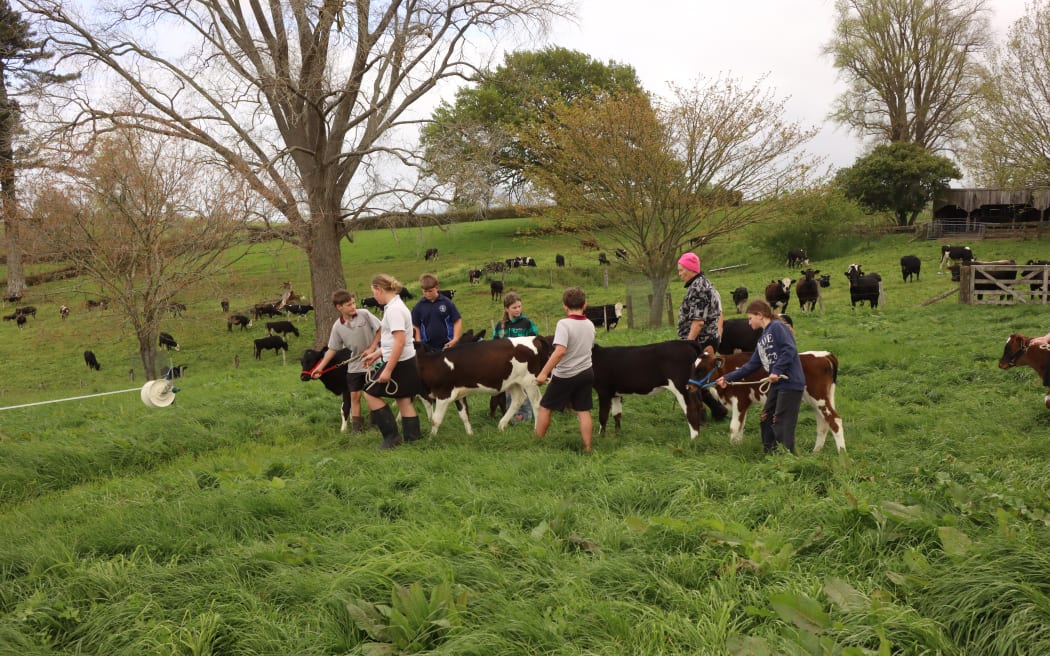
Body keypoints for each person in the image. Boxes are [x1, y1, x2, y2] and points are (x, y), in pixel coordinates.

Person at [716, 299, 805, 455]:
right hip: (777, 385)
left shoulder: (777, 327)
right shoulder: (762, 338)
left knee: (781, 422)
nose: (749, 322)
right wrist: (727, 378)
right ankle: (770, 456)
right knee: (766, 419)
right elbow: (751, 365)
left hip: (789, 382)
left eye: (750, 318)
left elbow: (789, 349)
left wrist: (776, 371)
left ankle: (789, 460)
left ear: (760, 315)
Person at [361, 274, 425, 449]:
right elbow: (394, 339)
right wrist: (377, 353)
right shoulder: (395, 306)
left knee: (370, 393)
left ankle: (391, 437)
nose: (373, 296)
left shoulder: (395, 310)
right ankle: (413, 439)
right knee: (403, 399)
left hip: (398, 363)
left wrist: (388, 370)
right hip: (405, 359)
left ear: (379, 290)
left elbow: (400, 341)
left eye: (373, 292)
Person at [310, 290, 381, 433]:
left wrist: (372, 347)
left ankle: (375, 424)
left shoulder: (365, 315)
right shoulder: (337, 326)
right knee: (354, 396)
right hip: (354, 365)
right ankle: (357, 429)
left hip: (373, 361)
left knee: (372, 395)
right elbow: (332, 349)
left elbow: (381, 329)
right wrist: (320, 368)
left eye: (354, 303)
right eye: (349, 305)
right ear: (339, 307)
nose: (353, 306)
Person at [536, 287, 596, 453]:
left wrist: (543, 373)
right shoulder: (590, 324)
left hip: (566, 375)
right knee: (583, 411)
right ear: (585, 305)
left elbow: (560, 351)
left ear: (565, 306)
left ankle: (537, 442)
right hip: (586, 372)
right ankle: (588, 447)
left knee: (545, 407)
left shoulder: (563, 324)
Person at [676, 251, 728, 420]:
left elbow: (698, 322)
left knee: (693, 377)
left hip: (700, 341)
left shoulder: (698, 288)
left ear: (690, 269)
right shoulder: (703, 284)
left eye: (681, 269)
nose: (679, 273)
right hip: (706, 339)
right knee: (699, 378)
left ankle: (700, 414)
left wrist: (687, 344)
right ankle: (718, 410)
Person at [493, 291, 539, 422]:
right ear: (506, 309)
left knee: (528, 390)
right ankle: (514, 418)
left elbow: (535, 342)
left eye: (519, 306)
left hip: (526, 366)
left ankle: (525, 417)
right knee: (511, 392)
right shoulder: (500, 326)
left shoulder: (527, 323)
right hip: (508, 367)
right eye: (514, 307)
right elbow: (494, 345)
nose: (518, 309)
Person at [412, 273, 462, 351]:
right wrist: (419, 342)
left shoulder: (447, 302)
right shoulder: (418, 307)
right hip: (428, 348)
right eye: (425, 291)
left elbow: (457, 320)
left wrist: (455, 339)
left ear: (437, 287)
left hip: (448, 345)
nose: (427, 294)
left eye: (430, 291)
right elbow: (416, 326)